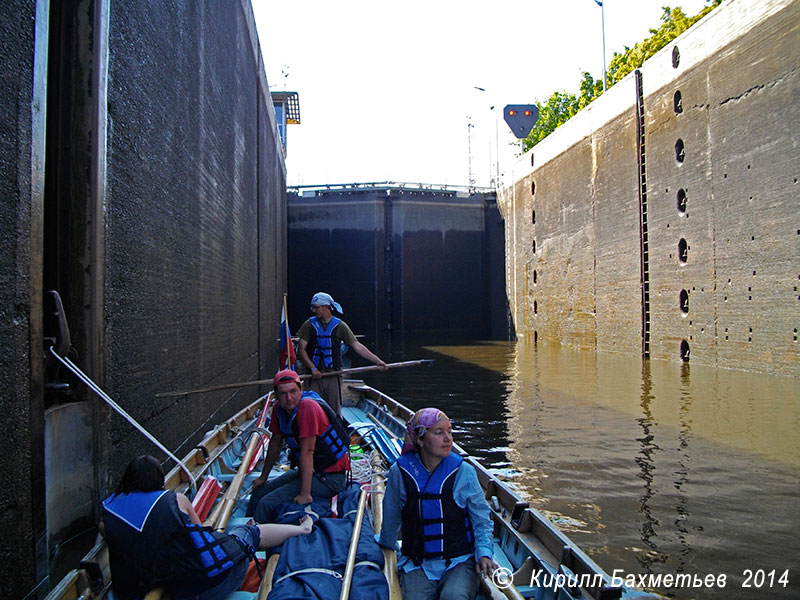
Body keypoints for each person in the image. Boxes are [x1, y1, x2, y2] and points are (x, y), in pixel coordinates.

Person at [100, 455, 312, 600]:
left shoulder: (108, 515)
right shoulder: (176, 500)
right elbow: (199, 530)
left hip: (173, 589)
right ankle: (304, 529)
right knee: (249, 533)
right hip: (210, 584)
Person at [378, 408, 496, 600]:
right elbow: (391, 519)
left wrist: (484, 553)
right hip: (418, 563)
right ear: (420, 439)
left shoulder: (464, 472)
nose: (448, 438)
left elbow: (482, 521)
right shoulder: (399, 472)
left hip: (459, 562)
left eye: (450, 431)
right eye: (439, 433)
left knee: (454, 596)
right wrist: (386, 545)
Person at [246, 369, 351, 522]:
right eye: (283, 393)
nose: (289, 398)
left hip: (330, 478)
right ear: (276, 395)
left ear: (301, 389)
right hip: (309, 471)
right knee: (258, 495)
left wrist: (305, 494)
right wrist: (263, 477)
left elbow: (307, 452)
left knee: (266, 503)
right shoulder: (278, 409)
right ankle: (245, 530)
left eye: (293, 391)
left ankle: (255, 540)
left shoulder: (308, 408)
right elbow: (275, 442)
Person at [296, 291, 387, 415]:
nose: (313, 310)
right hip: (313, 376)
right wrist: (312, 368)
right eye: (312, 307)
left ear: (326, 307)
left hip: (333, 374)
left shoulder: (340, 326)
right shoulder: (309, 325)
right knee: (312, 410)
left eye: (316, 307)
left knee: (334, 411)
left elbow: (357, 346)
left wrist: (378, 361)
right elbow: (301, 349)